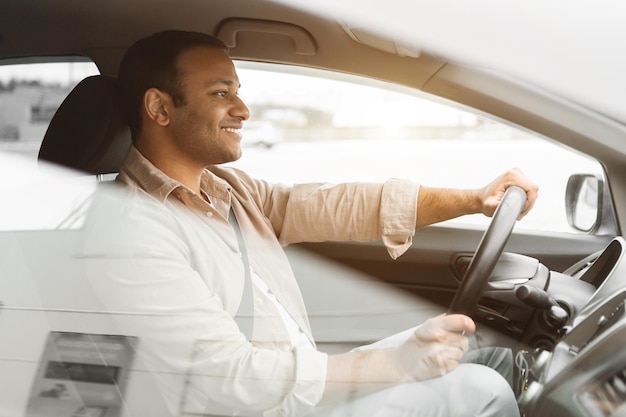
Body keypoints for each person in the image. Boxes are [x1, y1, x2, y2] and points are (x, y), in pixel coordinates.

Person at [83, 30, 538, 417]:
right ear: (160, 109)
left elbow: (334, 204)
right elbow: (227, 374)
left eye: (237, 91)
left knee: (476, 343)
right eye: (221, 93)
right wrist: (396, 363)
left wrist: (476, 199)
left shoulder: (227, 188)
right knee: (481, 390)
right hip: (261, 406)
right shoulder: (130, 230)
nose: (243, 109)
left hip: (300, 385)